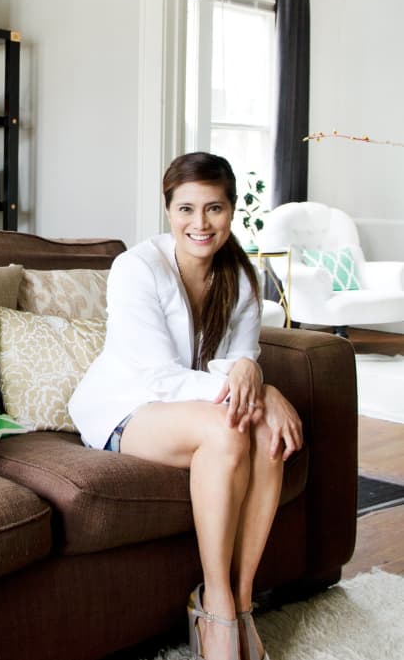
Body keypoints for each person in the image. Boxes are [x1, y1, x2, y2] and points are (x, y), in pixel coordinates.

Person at [68, 152, 303, 660]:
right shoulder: (136, 269)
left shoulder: (242, 278)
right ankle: (215, 604)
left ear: (232, 209)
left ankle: (242, 602)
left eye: (214, 208)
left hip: (192, 408)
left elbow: (241, 361)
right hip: (127, 408)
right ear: (168, 210)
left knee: (266, 435)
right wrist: (261, 391)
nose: (201, 223)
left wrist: (253, 380)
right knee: (228, 429)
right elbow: (159, 376)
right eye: (186, 209)